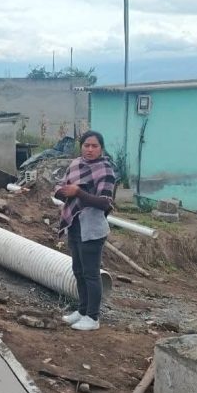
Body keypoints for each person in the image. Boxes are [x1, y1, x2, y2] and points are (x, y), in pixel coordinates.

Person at [56, 130, 116, 331]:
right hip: (74, 224)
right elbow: (64, 187)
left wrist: (79, 192)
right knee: (78, 271)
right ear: (81, 146)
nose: (90, 149)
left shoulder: (105, 170)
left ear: (101, 148)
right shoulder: (75, 164)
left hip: (92, 227)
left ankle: (92, 317)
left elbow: (105, 203)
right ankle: (82, 310)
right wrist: (62, 191)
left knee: (91, 273)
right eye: (86, 145)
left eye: (94, 146)